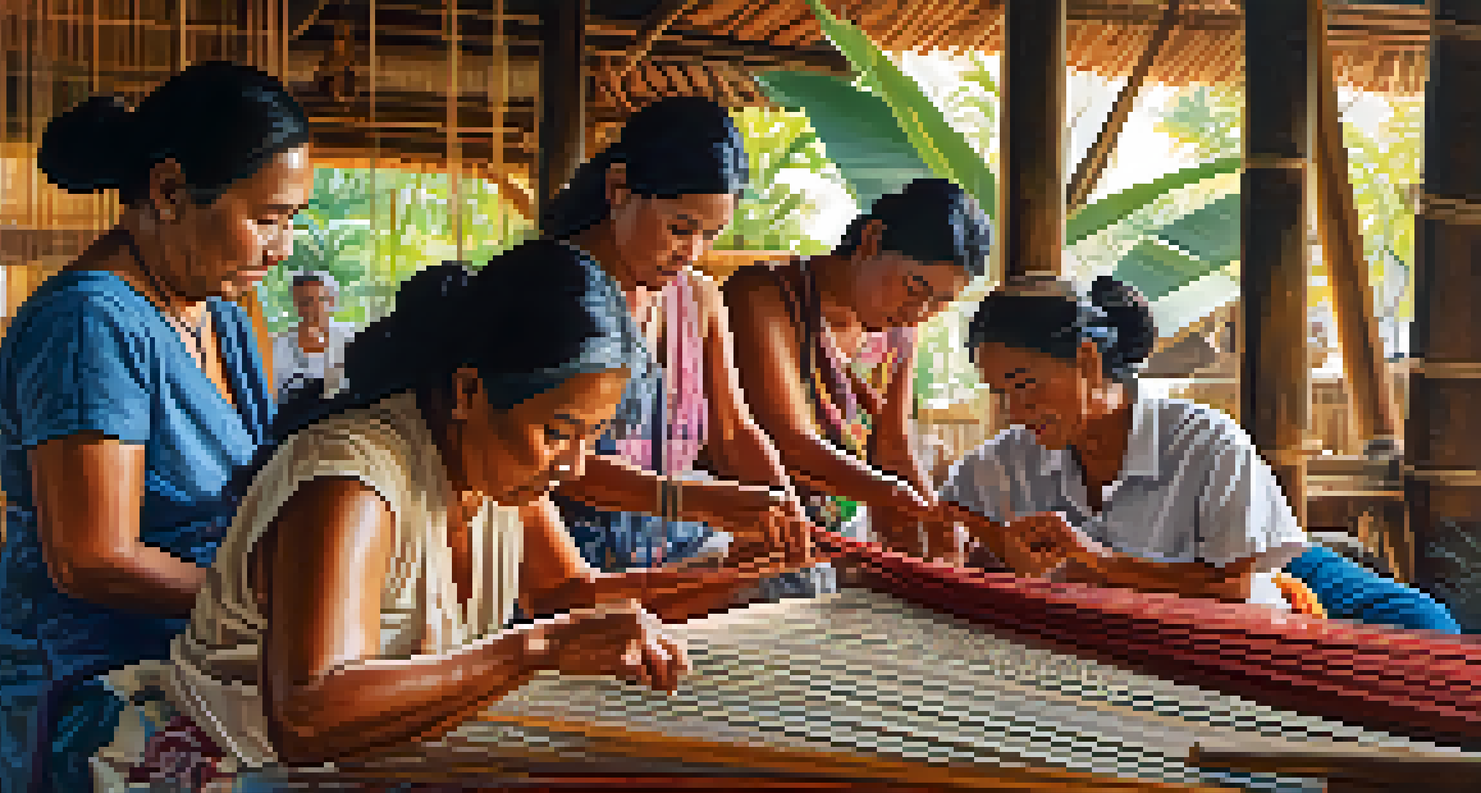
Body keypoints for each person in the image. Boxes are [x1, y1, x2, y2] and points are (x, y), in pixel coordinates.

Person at [91, 250, 812, 793]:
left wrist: (741, 580)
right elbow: (309, 715)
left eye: (590, 436)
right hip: (239, 764)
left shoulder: (498, 469)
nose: (572, 464)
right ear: (469, 388)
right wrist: (533, 649)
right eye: (559, 431)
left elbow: (571, 599)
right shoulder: (352, 485)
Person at [0, 62, 312, 793]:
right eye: (266, 218)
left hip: (199, 659)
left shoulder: (219, 315)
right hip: (97, 688)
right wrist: (268, 601)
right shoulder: (89, 322)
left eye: (292, 219)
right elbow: (92, 557)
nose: (283, 248)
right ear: (168, 191)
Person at [933, 275, 1462, 631]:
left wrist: (1093, 562)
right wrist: (994, 559)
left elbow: (1233, 587)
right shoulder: (1008, 461)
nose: (1014, 409)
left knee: (1428, 634)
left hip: (1246, 619)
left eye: (1026, 385)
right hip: (1128, 649)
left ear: (1089, 361)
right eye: (1001, 393)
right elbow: (944, 527)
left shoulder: (1202, 442)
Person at [530, 96, 818, 596]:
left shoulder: (698, 298)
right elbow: (536, 454)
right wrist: (689, 499)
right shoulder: (548, 292)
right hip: (568, 568)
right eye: (680, 229)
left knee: (800, 584)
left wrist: (786, 509)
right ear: (618, 189)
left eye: (710, 234)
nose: (692, 252)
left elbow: (731, 431)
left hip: (677, 556)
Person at [722, 179, 992, 564]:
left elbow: (893, 447)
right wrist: (894, 495)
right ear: (871, 240)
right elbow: (788, 441)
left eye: (941, 302)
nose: (920, 311)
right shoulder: (765, 296)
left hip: (835, 541)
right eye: (915, 287)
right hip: (752, 534)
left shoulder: (899, 334)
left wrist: (936, 516)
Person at [271, 271, 356, 403]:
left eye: (322, 299)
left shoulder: (349, 337)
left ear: (332, 300)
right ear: (296, 304)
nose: (315, 307)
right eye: (306, 302)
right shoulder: (278, 347)